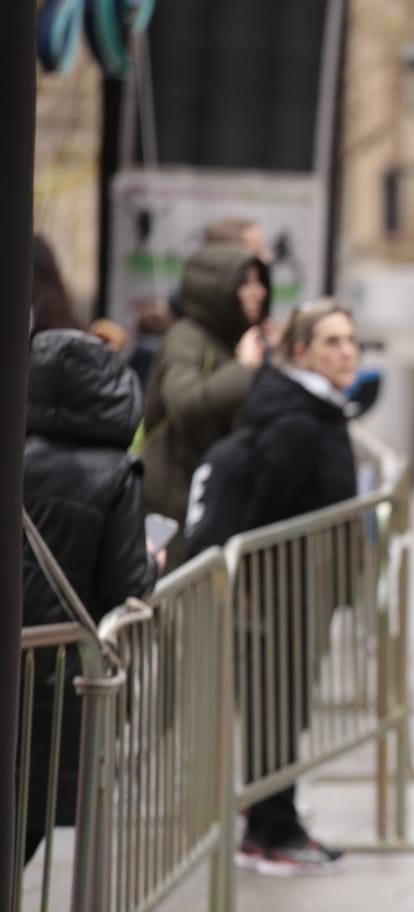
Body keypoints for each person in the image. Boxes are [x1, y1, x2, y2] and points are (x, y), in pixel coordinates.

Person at [21, 328, 163, 864]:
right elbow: (128, 581)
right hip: (59, 675)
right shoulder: (115, 473)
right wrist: (153, 560)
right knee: (27, 821)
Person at [232, 300, 359, 876]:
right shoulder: (299, 419)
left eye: (351, 340)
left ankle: (277, 822)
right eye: (332, 341)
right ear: (302, 351)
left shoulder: (319, 408)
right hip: (287, 586)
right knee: (277, 709)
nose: (347, 351)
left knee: (288, 707)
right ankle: (270, 829)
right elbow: (266, 508)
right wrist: (256, 582)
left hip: (308, 584)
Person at [139, 241, 269, 568]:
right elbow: (185, 402)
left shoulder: (234, 340)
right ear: (217, 290)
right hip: (170, 503)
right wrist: (243, 369)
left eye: (258, 282)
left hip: (206, 500)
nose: (258, 293)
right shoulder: (186, 337)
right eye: (245, 283)